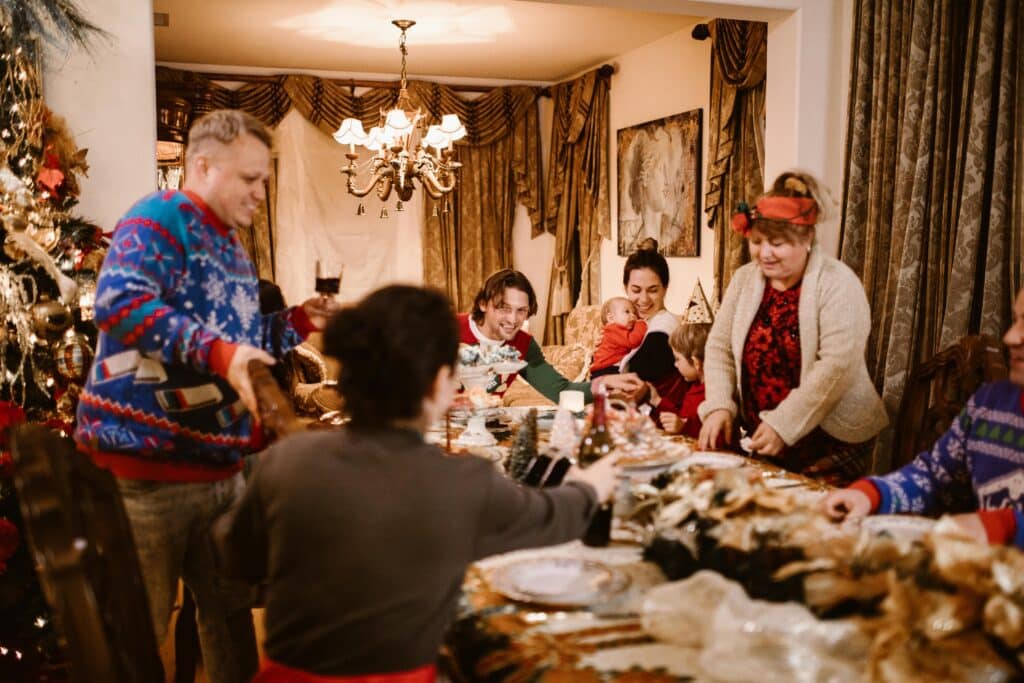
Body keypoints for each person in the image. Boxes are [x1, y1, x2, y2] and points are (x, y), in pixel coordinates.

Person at [214, 285, 622, 680]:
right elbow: (555, 517)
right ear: (440, 381)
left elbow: (238, 559)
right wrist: (590, 484)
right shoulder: (465, 480)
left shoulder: (286, 460)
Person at [74, 109, 336, 683]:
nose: (261, 192)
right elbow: (119, 303)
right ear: (203, 166)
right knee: (137, 639)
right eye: (250, 178)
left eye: (265, 179)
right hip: (146, 470)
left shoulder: (232, 248)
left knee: (230, 620)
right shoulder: (158, 217)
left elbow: (238, 343)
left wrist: (297, 321)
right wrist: (220, 353)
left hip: (219, 469)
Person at [697, 171, 887, 486]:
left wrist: (784, 423)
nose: (764, 253)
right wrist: (719, 405)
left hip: (830, 441)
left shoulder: (838, 283)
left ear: (807, 239)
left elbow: (837, 366)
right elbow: (719, 347)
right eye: (757, 242)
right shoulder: (744, 279)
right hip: (765, 436)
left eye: (777, 243)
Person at [821, 288, 1024, 547]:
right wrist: (871, 494)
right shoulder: (989, 403)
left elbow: (1002, 526)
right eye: (1016, 320)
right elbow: (933, 476)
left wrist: (1006, 526)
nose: (1010, 337)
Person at [461, 269, 642, 403]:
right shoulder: (451, 328)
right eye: (504, 308)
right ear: (483, 304)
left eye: (521, 310)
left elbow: (561, 391)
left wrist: (604, 382)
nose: (513, 319)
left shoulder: (523, 344)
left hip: (485, 431)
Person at [618, 238, 688, 411]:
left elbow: (639, 373)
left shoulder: (665, 326)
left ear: (665, 288)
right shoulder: (626, 323)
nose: (643, 299)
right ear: (625, 287)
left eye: (653, 290)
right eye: (636, 290)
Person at [649, 323, 711, 438]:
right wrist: (658, 400)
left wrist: (684, 427)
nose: (675, 364)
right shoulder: (695, 385)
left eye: (678, 359)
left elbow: (716, 436)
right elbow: (682, 418)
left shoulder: (713, 395)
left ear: (696, 363)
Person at [590, 297, 647, 378]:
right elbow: (632, 341)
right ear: (611, 318)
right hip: (606, 369)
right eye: (627, 312)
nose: (633, 316)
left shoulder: (616, 331)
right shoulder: (614, 329)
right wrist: (641, 324)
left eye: (634, 313)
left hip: (606, 369)